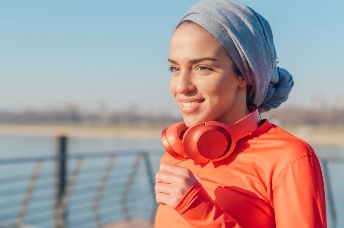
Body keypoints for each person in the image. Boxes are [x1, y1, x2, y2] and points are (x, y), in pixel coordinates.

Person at [154, 0, 327, 227]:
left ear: (244, 75)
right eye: (175, 69)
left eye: (203, 67)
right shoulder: (177, 155)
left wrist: (200, 211)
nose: (181, 86)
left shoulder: (290, 158)